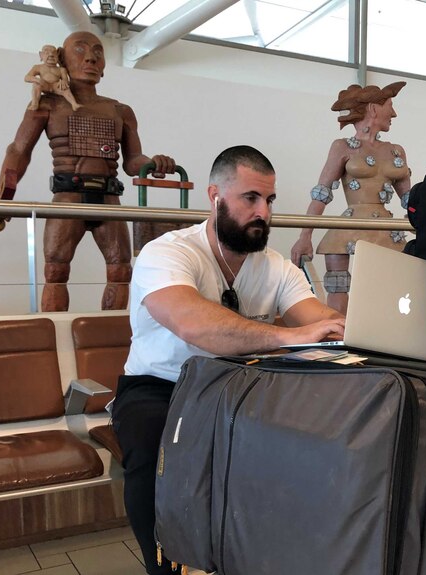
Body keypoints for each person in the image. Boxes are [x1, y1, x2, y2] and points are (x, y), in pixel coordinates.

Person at [112, 145, 345, 574]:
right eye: (251, 199)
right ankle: (164, 566)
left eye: (270, 200)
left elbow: (321, 321)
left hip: (240, 384)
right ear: (215, 197)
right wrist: (287, 336)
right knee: (151, 449)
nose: (264, 212)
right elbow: (192, 323)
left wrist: (363, 327)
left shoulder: (276, 267)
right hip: (162, 387)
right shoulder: (167, 253)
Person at [0, 31, 176, 312]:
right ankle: (54, 336)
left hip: (109, 199)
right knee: (56, 272)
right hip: (68, 197)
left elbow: (133, 160)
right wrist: (4, 196)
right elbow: (18, 150)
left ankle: (107, 338)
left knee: (121, 271)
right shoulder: (47, 105)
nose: (90, 57)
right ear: (62, 58)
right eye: (81, 49)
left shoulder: (119, 110)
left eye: (98, 51)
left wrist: (154, 163)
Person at [290, 81, 412, 315]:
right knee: (338, 289)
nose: (393, 113)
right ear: (373, 109)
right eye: (389, 106)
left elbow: (410, 199)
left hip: (386, 229)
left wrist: (423, 224)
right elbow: (322, 193)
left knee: (391, 291)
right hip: (348, 226)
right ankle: (337, 335)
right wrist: (304, 236)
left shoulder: (396, 150)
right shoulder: (342, 147)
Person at [26, 44, 81, 112]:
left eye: (54, 53)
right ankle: (35, 104)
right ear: (41, 55)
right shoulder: (38, 67)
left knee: (65, 88)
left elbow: (65, 79)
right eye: (47, 53)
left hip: (56, 86)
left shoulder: (61, 69)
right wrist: (37, 80)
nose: (51, 55)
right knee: (36, 85)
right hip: (44, 85)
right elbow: (27, 77)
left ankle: (74, 104)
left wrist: (63, 82)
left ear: (57, 56)